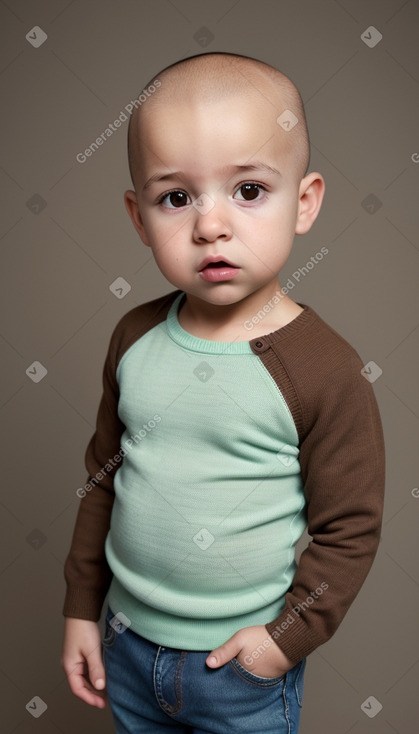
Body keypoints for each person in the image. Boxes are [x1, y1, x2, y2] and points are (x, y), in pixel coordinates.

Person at [61, 52, 385, 733]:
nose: (210, 225)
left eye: (247, 191)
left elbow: (348, 530)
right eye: (176, 197)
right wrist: (80, 609)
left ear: (303, 203)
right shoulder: (134, 337)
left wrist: (281, 644)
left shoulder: (324, 368)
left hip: (238, 669)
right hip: (126, 646)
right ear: (139, 216)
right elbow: (103, 478)